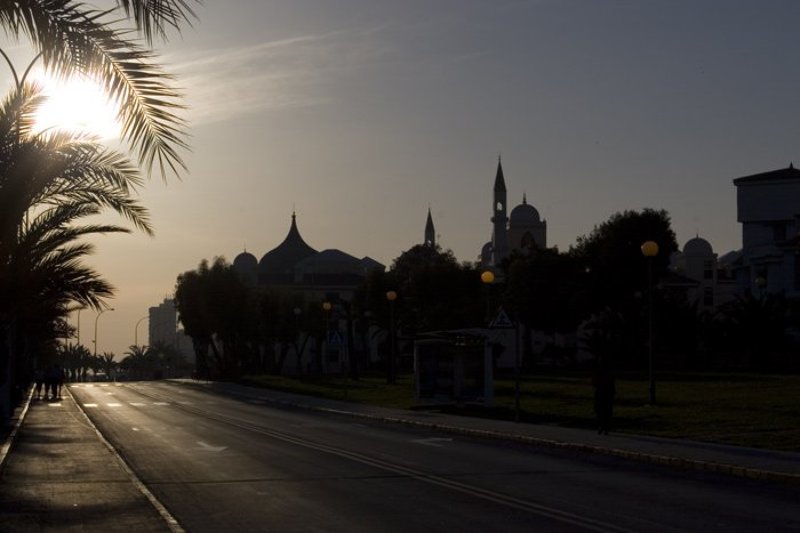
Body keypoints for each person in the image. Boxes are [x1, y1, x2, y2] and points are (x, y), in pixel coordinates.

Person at [592, 356, 616, 435]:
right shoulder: (609, 372)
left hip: (602, 392)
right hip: (606, 392)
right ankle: (605, 426)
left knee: (600, 409)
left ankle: (602, 426)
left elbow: (594, 382)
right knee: (605, 410)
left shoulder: (599, 371)